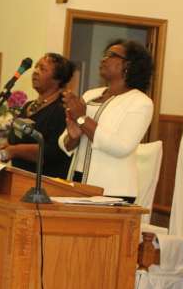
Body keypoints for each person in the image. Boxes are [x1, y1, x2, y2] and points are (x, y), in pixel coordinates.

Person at [58, 39, 154, 201]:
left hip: (113, 190)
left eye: (111, 55)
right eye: (105, 54)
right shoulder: (90, 95)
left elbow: (122, 146)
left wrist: (82, 118)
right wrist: (73, 138)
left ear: (128, 65)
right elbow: (64, 143)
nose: (103, 59)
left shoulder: (140, 102)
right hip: (77, 182)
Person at [0, 53, 75, 178]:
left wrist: (14, 151)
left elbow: (53, 151)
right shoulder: (28, 106)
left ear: (57, 79)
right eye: (36, 67)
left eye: (42, 69)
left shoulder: (62, 109)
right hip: (18, 177)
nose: (35, 71)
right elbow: (15, 138)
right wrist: (7, 147)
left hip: (44, 182)